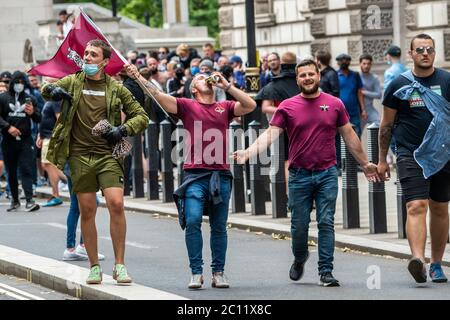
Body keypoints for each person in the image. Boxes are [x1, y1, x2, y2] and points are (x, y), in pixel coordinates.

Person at [234, 59, 379, 287]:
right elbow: (271, 134)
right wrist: (248, 152)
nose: (307, 78)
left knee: (326, 221)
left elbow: (349, 136)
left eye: (311, 74)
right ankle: (300, 257)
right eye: (303, 75)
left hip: (327, 173)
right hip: (299, 175)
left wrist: (365, 163)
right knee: (299, 225)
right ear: (297, 79)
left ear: (319, 76)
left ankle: (325, 271)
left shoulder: (334, 104)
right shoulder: (287, 106)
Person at [126, 62, 257, 290]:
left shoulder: (224, 106)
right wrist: (137, 76)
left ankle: (218, 272)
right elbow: (156, 93)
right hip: (195, 175)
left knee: (219, 226)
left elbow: (250, 104)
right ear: (193, 89)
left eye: (206, 76)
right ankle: (196, 272)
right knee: (193, 220)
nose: (204, 78)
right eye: (199, 78)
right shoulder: (186, 105)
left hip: (220, 175)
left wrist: (227, 85)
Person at [41, 39, 149, 285]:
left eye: (93, 54)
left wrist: (121, 130)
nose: (87, 57)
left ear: (104, 61)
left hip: (107, 155)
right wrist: (53, 92)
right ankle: (94, 267)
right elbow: (46, 89)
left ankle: (120, 266)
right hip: (79, 156)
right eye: (86, 53)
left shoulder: (116, 88)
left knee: (116, 203)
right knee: (87, 210)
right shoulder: (73, 80)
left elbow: (141, 116)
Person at [379, 33, 450, 284]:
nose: (425, 53)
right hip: (410, 153)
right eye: (419, 49)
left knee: (440, 207)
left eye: (429, 49)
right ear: (410, 53)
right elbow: (386, 125)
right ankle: (417, 260)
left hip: (443, 153)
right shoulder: (398, 84)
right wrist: (381, 160)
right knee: (416, 205)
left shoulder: (447, 80)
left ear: (435, 52)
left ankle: (437, 263)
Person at [0, 71, 41, 212]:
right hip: (8, 140)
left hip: (25, 140)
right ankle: (15, 200)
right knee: (11, 172)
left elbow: (39, 118)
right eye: (17, 82)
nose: (20, 85)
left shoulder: (30, 98)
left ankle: (29, 200)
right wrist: (8, 127)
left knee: (26, 169)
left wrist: (32, 113)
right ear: (12, 83)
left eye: (23, 82)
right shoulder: (3, 98)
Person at [336, 53, 367, 137]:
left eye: (346, 60)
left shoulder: (355, 75)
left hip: (354, 112)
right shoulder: (335, 75)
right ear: (338, 63)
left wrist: (363, 109)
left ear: (349, 62)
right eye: (341, 60)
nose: (344, 62)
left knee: (357, 135)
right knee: (341, 138)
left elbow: (359, 92)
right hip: (340, 112)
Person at [359, 54, 382, 129]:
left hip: (370, 109)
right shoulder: (356, 76)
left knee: (380, 125)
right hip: (358, 110)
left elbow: (378, 95)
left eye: (368, 64)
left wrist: (364, 92)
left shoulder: (374, 78)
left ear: (371, 65)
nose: (366, 66)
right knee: (356, 135)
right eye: (364, 63)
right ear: (360, 64)